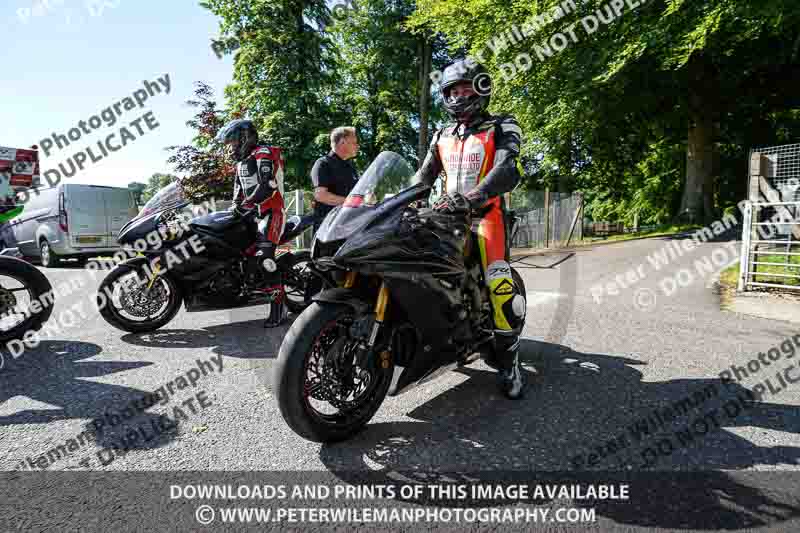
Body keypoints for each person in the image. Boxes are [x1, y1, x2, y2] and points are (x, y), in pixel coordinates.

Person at [415, 59, 528, 399]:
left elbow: (508, 168)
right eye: (453, 91)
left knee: (498, 280)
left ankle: (509, 363)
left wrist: (475, 196)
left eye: (466, 89)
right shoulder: (441, 134)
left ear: (481, 89)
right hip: (446, 218)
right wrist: (398, 200)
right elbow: (423, 178)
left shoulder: (502, 125)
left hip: (485, 216)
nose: (459, 96)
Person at [216, 119, 288, 327]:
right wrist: (235, 208)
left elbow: (267, 186)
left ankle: (279, 308)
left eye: (232, 142)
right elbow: (238, 193)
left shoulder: (263, 153)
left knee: (265, 257)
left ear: (244, 138)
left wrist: (246, 204)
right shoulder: (241, 163)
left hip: (271, 213)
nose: (230, 147)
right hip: (250, 215)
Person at [310, 127, 360, 233]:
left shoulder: (350, 167)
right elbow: (321, 196)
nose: (357, 146)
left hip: (347, 225)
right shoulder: (323, 163)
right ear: (342, 142)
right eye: (354, 142)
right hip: (328, 228)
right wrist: (350, 202)